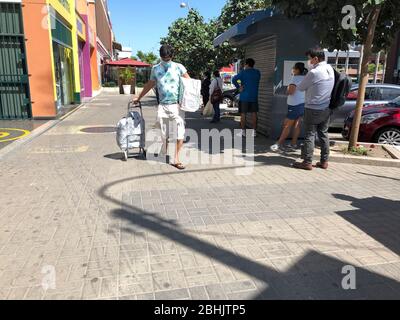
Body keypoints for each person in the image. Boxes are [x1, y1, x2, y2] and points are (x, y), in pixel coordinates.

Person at [133, 44, 190, 170]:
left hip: (177, 106)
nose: (166, 60)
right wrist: (139, 97)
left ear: (172, 56)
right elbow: (150, 84)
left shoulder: (179, 67)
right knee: (164, 134)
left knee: (179, 132)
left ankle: (176, 159)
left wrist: (194, 99)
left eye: (168, 58)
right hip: (163, 106)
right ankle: (164, 150)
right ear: (160, 56)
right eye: (164, 58)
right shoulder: (155, 69)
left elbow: (189, 83)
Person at [293, 49, 335, 171]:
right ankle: (324, 161)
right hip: (326, 107)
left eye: (310, 58)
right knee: (323, 134)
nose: (309, 61)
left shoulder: (314, 72)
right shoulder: (330, 69)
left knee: (309, 135)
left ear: (316, 58)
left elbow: (300, 87)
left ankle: (307, 162)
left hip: (312, 108)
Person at [271, 63, 308, 152]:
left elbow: (290, 92)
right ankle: (293, 144)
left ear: (297, 70)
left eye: (293, 68)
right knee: (297, 125)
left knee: (287, 125)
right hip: (302, 103)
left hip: (294, 105)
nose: (292, 69)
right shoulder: (305, 78)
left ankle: (278, 144)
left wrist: (287, 89)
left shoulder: (295, 79)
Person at [232, 58, 261, 137]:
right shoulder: (257, 73)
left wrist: (239, 87)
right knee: (254, 114)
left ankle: (243, 132)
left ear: (247, 64)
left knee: (243, 114)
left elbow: (234, 79)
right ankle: (254, 132)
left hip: (244, 97)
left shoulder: (243, 72)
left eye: (245, 64)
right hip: (254, 96)